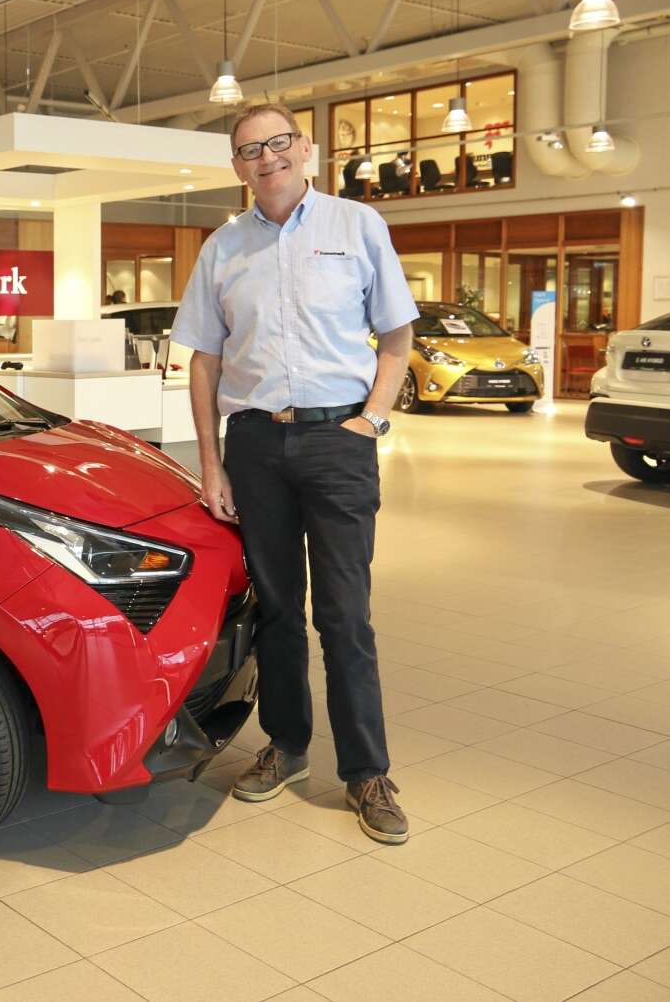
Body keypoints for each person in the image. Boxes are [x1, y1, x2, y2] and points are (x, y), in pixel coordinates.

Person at [171, 104, 417, 845]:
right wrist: (211, 462)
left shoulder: (356, 224)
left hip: (337, 440)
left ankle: (366, 771)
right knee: (276, 610)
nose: (267, 157)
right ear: (237, 166)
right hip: (254, 446)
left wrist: (371, 421)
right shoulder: (223, 247)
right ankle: (285, 745)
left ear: (304, 149)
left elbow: (396, 335)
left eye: (278, 143)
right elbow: (205, 360)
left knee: (345, 615)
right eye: (250, 149)